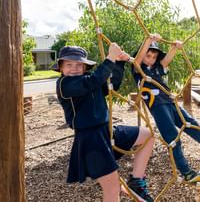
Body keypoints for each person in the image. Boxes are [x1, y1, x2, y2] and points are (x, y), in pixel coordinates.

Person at [131, 34, 200, 184]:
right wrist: (148, 41)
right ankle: (186, 172)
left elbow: (166, 59)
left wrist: (175, 47)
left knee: (194, 126)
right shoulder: (138, 69)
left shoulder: (157, 67)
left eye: (153, 56)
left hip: (170, 102)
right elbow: (137, 60)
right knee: (173, 138)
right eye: (147, 55)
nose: (150, 59)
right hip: (158, 106)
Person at [54, 44, 154, 202]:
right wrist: (110, 57)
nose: (74, 68)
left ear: (85, 66)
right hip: (91, 140)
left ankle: (136, 180)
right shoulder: (64, 84)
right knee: (112, 189)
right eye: (68, 64)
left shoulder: (89, 79)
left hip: (107, 131)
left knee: (147, 135)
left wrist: (119, 63)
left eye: (79, 65)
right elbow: (93, 81)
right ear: (60, 68)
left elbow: (111, 85)